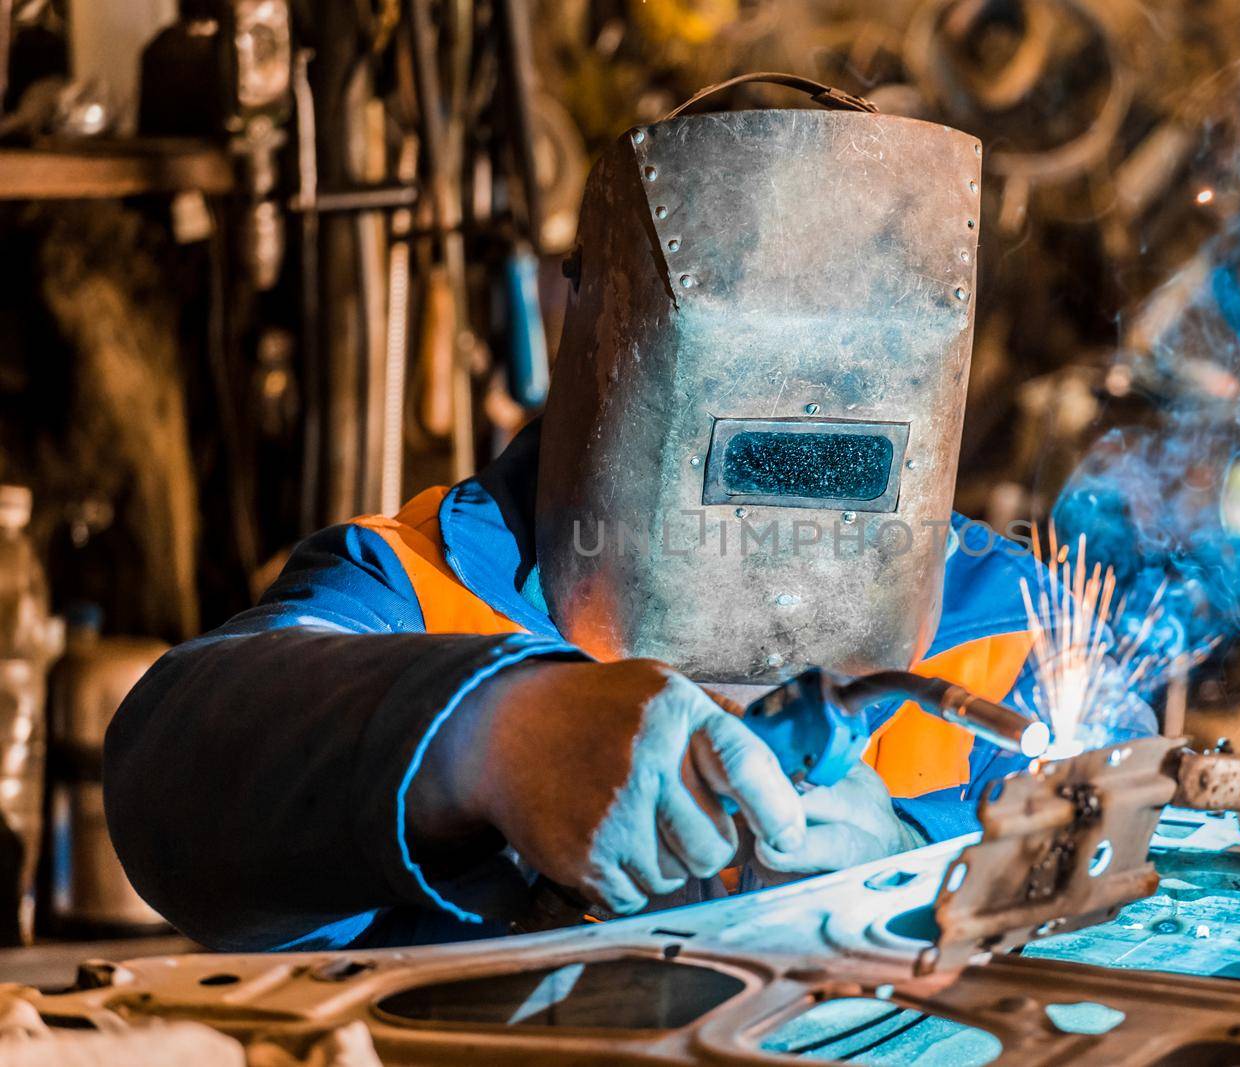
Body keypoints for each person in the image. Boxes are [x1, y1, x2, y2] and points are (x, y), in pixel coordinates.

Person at [103, 78, 1154, 953]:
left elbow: (1130, 898)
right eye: (747, 455)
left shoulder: (1016, 628)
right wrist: (491, 734)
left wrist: (910, 871)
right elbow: (168, 774)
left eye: (828, 463)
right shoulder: (419, 585)